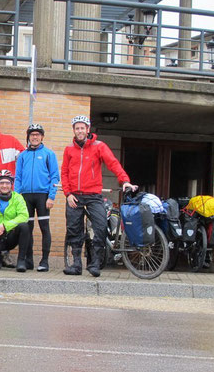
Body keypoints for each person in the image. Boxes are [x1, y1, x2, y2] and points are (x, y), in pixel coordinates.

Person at [61, 115, 137, 277]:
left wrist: (124, 180)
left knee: (101, 227)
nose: (80, 131)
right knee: (74, 229)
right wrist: (67, 194)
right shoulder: (69, 149)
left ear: (88, 129)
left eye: (82, 128)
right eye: (77, 128)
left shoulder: (99, 146)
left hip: (94, 195)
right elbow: (64, 173)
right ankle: (76, 264)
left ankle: (95, 263)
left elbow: (113, 163)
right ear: (74, 130)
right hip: (74, 195)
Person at [14, 123, 60, 272]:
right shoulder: (22, 156)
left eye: (37, 134)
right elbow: (18, 178)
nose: (35, 137)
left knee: (44, 228)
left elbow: (54, 177)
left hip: (43, 196)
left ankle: (45, 261)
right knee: (27, 228)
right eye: (32, 134)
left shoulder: (49, 154)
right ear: (28, 137)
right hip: (25, 196)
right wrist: (16, 197)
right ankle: (28, 260)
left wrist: (51, 197)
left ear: (42, 137)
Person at [0, 170, 30, 271]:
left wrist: (4, 226)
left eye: (7, 183)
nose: (4, 186)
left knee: (24, 226)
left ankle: (21, 261)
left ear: (11, 184)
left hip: (11, 235)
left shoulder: (18, 198)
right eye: (1, 183)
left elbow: (24, 216)